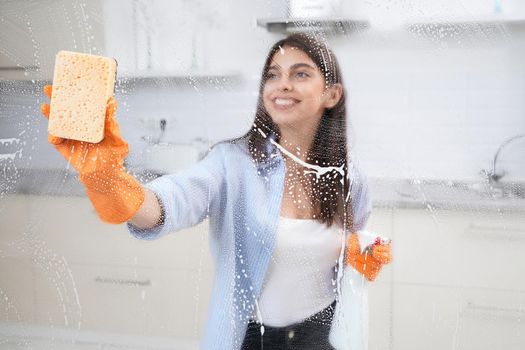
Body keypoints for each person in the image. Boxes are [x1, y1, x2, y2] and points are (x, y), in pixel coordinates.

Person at [41, 33, 392, 350]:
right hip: (251, 340)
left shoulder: (349, 180)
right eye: (273, 75)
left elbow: (352, 245)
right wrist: (109, 181)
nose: (282, 84)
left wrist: (362, 256)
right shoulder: (231, 164)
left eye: (300, 73)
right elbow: (169, 201)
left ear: (332, 94)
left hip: (322, 337)